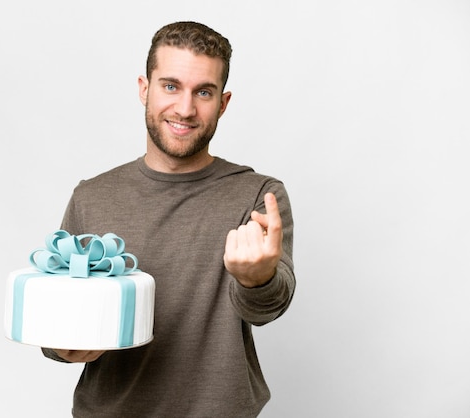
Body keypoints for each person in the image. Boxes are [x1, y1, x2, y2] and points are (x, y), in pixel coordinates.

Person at [41, 21, 296, 417]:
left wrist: (257, 278)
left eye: (204, 92)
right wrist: (62, 344)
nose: (185, 108)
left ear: (223, 103)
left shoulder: (258, 196)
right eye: (171, 86)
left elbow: (267, 307)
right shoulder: (91, 196)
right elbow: (58, 323)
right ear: (145, 89)